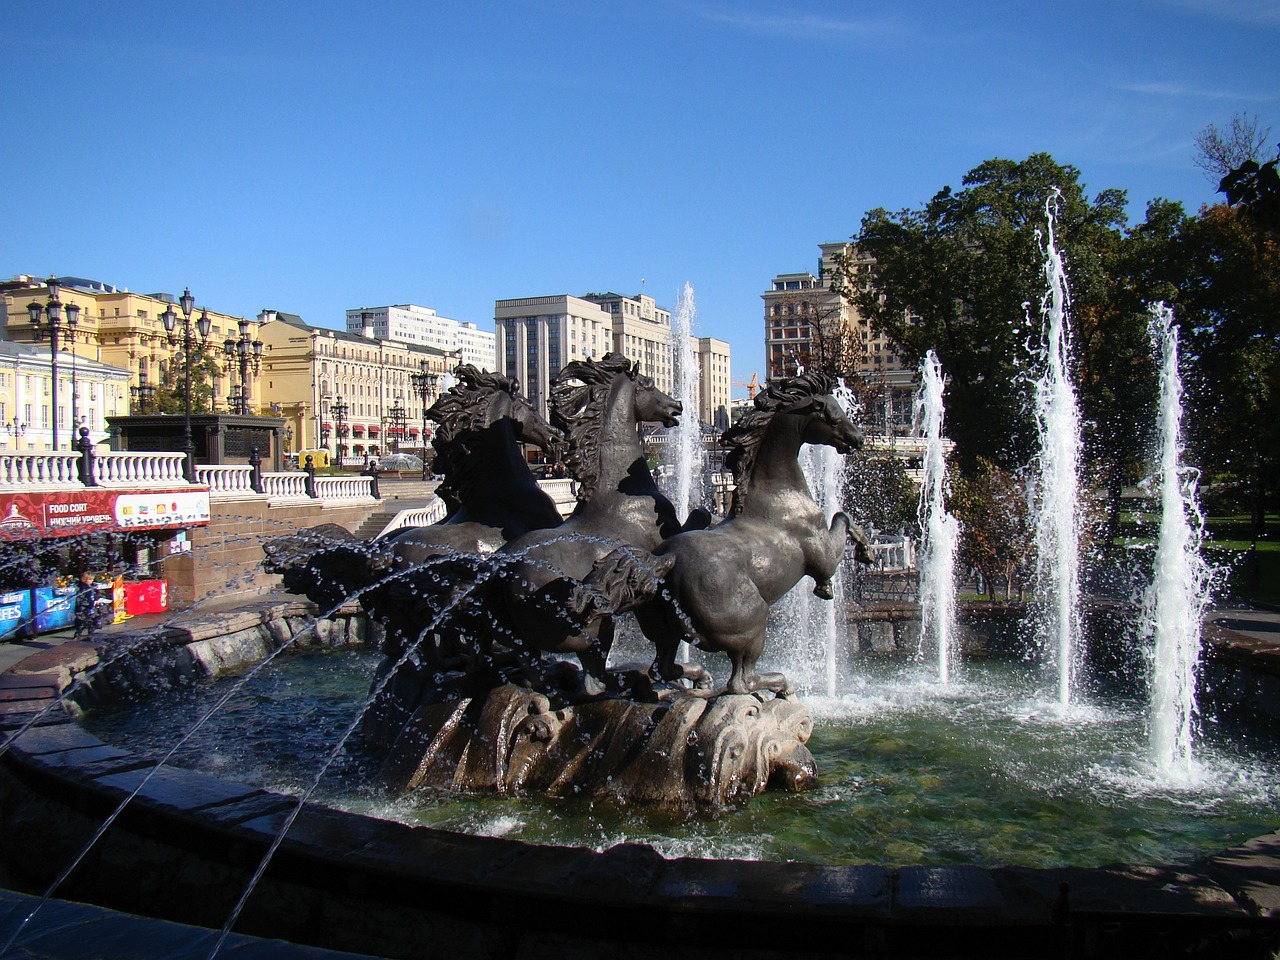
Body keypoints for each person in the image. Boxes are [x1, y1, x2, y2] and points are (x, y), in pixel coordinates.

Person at [72, 572, 101, 641]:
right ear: (85, 579)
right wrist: (87, 603)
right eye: (89, 579)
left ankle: (90, 635)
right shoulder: (81, 587)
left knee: (92, 622)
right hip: (83, 608)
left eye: (92, 579)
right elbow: (79, 598)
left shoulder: (93, 586)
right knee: (81, 622)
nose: (91, 581)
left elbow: (96, 595)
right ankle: (78, 635)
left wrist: (97, 600)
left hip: (92, 607)